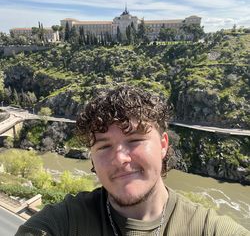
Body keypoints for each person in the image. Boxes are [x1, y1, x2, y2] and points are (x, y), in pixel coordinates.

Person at [15, 85, 249, 236]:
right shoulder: (65, 223)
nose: (120, 158)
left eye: (135, 140)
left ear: (163, 145)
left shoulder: (209, 229)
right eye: (104, 145)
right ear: (92, 157)